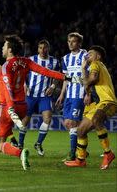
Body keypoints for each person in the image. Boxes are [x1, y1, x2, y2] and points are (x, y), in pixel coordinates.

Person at [0, 35, 68, 170]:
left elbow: (8, 89)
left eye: (4, 46)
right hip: (22, 106)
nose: (2, 48)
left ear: (9, 50)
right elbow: (45, 71)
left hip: (9, 107)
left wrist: (10, 109)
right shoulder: (25, 61)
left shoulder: (5, 67)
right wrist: (65, 77)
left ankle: (20, 153)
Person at [65, 46, 116, 169]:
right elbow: (88, 83)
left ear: (98, 56)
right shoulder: (92, 67)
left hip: (107, 101)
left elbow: (92, 79)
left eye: (90, 54)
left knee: (96, 120)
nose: (87, 56)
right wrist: (83, 69)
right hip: (98, 103)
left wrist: (79, 80)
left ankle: (108, 153)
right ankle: (80, 160)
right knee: (81, 130)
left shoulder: (96, 63)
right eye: (86, 54)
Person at [18, 40, 60, 156]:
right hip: (30, 95)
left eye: (45, 48)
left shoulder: (54, 62)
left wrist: (52, 86)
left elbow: (58, 75)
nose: (43, 50)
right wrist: (24, 85)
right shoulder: (31, 60)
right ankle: (20, 144)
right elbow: (22, 73)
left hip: (45, 96)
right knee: (25, 121)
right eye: (40, 48)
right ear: (37, 49)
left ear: (48, 49)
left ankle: (38, 143)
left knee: (47, 119)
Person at [55, 32, 88, 161]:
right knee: (69, 123)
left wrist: (88, 93)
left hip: (79, 94)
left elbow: (89, 75)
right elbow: (66, 79)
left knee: (71, 122)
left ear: (79, 43)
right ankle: (82, 149)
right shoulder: (65, 58)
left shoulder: (85, 56)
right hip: (69, 94)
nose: (70, 43)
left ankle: (73, 154)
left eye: (73, 41)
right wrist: (62, 94)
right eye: (69, 41)